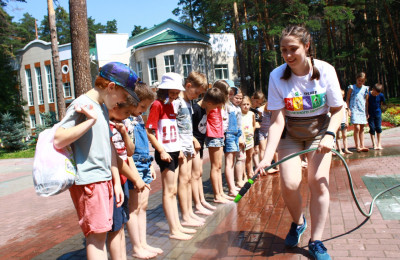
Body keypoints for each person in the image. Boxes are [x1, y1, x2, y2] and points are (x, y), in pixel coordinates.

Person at [255, 25, 344, 260]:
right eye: (283, 50)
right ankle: (298, 222)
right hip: (291, 134)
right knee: (290, 183)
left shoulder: (325, 70)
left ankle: (316, 241)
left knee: (318, 182)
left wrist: (330, 135)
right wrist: (266, 158)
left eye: (293, 49)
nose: (288, 55)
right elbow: (277, 121)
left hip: (319, 132)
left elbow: (337, 110)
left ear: (307, 46)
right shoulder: (277, 75)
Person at [53, 62, 148, 259]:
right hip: (89, 181)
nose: (123, 101)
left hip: (102, 179)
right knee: (96, 239)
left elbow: (108, 149)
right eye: (124, 95)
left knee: (102, 234)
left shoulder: (101, 108)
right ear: (111, 87)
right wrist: (89, 121)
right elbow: (59, 138)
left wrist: (115, 182)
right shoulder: (83, 105)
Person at [146, 72, 195, 240]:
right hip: (165, 153)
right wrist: (161, 151)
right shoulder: (157, 105)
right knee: (169, 191)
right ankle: (173, 230)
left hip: (174, 150)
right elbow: (150, 131)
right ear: (164, 90)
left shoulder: (171, 105)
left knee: (173, 190)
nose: (174, 96)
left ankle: (178, 226)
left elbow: (173, 129)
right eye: (172, 92)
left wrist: (179, 149)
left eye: (176, 93)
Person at [124, 82, 163, 259]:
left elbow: (144, 144)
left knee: (143, 206)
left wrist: (149, 165)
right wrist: (135, 173)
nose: (144, 111)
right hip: (134, 167)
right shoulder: (125, 119)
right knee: (134, 208)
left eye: (146, 107)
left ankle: (143, 242)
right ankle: (136, 247)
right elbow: (127, 151)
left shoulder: (138, 119)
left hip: (144, 164)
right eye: (142, 107)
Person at [172, 71, 207, 227]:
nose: (197, 96)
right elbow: (172, 125)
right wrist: (179, 148)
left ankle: (189, 212)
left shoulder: (189, 103)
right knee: (183, 180)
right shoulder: (177, 101)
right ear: (188, 85)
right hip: (179, 147)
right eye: (196, 92)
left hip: (188, 145)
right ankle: (185, 215)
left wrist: (192, 139)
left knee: (187, 180)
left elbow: (186, 126)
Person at [108, 101, 137, 260]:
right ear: (114, 108)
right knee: (115, 227)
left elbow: (130, 152)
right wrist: (136, 178)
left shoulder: (122, 125)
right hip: (114, 181)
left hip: (123, 180)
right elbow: (115, 160)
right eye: (126, 113)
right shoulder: (106, 126)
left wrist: (124, 133)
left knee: (122, 223)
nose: (128, 116)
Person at [191, 88, 226, 215]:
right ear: (210, 103)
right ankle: (198, 204)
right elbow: (187, 128)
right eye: (216, 107)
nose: (215, 110)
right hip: (193, 143)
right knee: (195, 174)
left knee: (199, 173)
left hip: (199, 143)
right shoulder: (195, 109)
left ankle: (202, 201)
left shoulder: (205, 108)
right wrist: (193, 139)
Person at [206, 80, 232, 203]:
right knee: (215, 166)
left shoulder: (219, 105)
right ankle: (217, 195)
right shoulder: (211, 105)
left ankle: (221, 192)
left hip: (219, 135)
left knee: (219, 166)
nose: (227, 96)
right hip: (213, 136)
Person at [223, 86, 244, 196]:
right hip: (230, 134)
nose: (232, 96)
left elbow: (239, 124)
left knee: (233, 162)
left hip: (236, 134)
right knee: (229, 162)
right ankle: (231, 188)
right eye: (231, 94)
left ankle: (233, 186)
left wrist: (240, 136)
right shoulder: (227, 106)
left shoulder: (237, 108)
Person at [346, 72, 369, 152]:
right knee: (357, 127)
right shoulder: (352, 87)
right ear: (356, 79)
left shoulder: (365, 88)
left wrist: (367, 112)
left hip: (362, 109)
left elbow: (366, 101)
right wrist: (348, 109)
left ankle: (362, 145)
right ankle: (357, 146)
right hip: (354, 109)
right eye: (359, 80)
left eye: (362, 81)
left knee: (362, 128)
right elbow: (347, 99)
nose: (360, 82)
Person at [258, 101, 279, 174]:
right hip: (261, 132)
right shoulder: (260, 110)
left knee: (274, 149)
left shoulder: (271, 111)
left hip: (268, 131)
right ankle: (265, 168)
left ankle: (277, 165)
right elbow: (258, 120)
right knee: (263, 149)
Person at [241, 96, 256, 179]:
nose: (246, 106)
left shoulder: (251, 114)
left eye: (247, 104)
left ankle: (250, 172)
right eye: (244, 104)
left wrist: (252, 132)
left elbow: (254, 124)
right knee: (243, 158)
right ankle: (244, 175)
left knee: (249, 156)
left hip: (250, 138)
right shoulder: (239, 114)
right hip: (242, 139)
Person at [367, 83, 386, 150]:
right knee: (372, 128)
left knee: (378, 128)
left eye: (378, 93)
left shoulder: (381, 95)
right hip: (370, 114)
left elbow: (381, 103)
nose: (377, 94)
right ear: (373, 89)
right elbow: (366, 104)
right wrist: (367, 113)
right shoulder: (368, 94)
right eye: (376, 92)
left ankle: (379, 144)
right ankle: (374, 144)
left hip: (377, 113)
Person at [336, 89, 352, 155]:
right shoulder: (336, 104)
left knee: (345, 136)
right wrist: (337, 122)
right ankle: (339, 150)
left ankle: (346, 149)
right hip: (338, 123)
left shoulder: (344, 103)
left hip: (344, 122)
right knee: (338, 136)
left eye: (342, 95)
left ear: (343, 96)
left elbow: (346, 112)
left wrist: (347, 121)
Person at [250, 91, 264, 167]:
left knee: (257, 150)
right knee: (251, 150)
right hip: (252, 131)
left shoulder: (258, 109)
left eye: (260, 103)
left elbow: (261, 119)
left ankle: (257, 166)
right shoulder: (249, 108)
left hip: (258, 131)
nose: (258, 104)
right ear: (252, 99)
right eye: (257, 102)